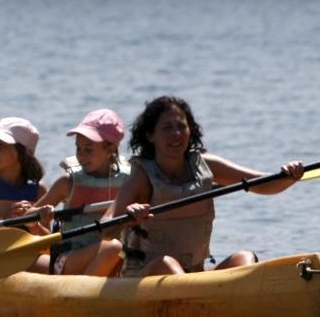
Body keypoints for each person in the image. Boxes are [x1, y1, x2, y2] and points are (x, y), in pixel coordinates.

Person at [108, 95, 305, 277]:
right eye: (167, 128)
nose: (176, 134)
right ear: (151, 135)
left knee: (244, 258)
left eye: (181, 126)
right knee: (167, 264)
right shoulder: (142, 176)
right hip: (145, 278)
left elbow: (264, 184)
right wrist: (128, 215)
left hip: (194, 275)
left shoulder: (206, 166)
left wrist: (289, 176)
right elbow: (105, 228)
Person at [15, 109, 130, 276]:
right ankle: (82, 296)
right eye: (79, 148)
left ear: (111, 148)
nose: (81, 156)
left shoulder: (129, 182)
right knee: (113, 247)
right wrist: (36, 217)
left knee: (118, 250)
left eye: (88, 150)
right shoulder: (67, 182)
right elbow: (29, 219)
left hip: (111, 259)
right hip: (68, 258)